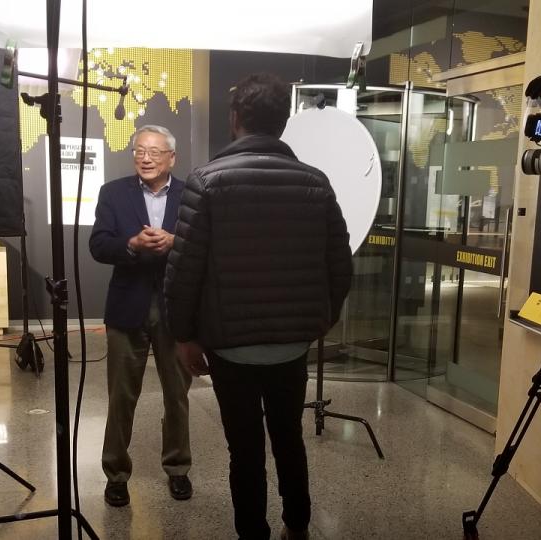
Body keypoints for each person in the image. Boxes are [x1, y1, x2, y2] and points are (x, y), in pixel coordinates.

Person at [164, 72, 352, 540]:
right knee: (289, 439)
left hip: (231, 347)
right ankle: (298, 527)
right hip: (291, 346)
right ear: (283, 121)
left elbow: (184, 270)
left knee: (244, 450)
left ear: (235, 119)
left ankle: (253, 533)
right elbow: (340, 265)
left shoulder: (206, 181)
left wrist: (183, 336)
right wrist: (320, 320)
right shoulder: (315, 183)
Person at [89, 125, 193, 508]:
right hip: (127, 305)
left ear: (172, 158)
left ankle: (178, 468)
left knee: (177, 395)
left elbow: (206, 243)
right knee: (121, 396)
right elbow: (99, 244)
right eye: (139, 151)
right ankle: (116, 475)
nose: (145, 158)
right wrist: (132, 244)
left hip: (175, 307)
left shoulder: (191, 195)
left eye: (154, 152)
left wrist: (175, 242)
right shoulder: (113, 192)